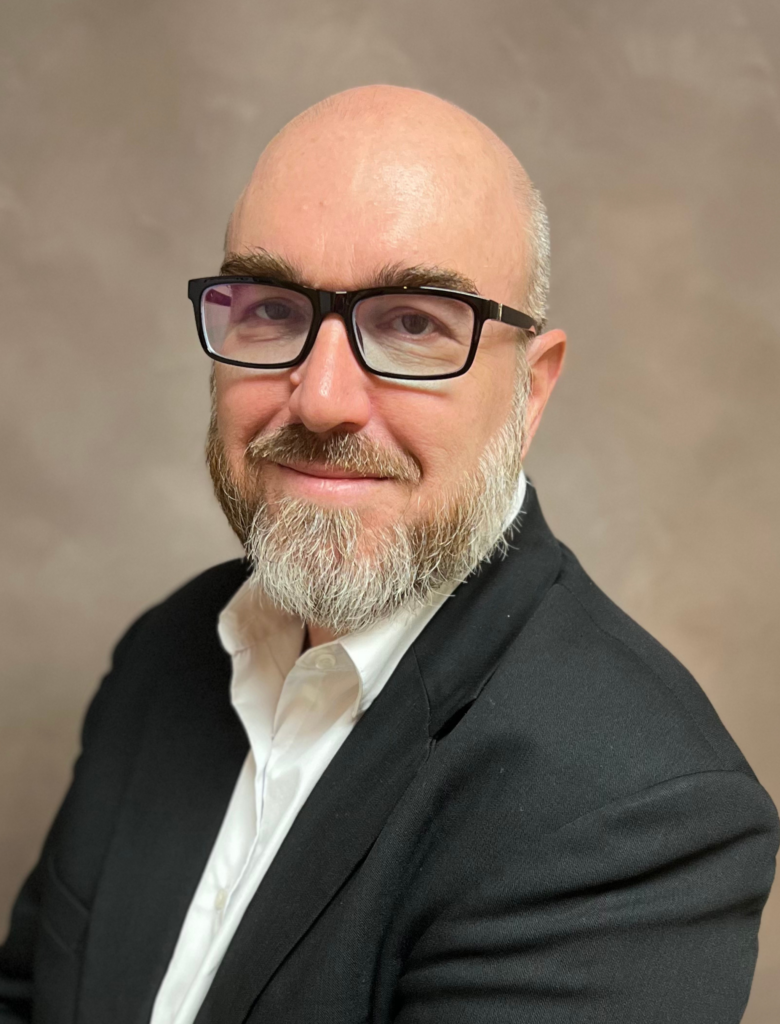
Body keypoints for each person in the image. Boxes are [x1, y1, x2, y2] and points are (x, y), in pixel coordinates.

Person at [0, 85, 777, 1024]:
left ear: (530, 393)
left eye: (413, 324)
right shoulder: (167, 654)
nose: (322, 397)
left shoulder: (639, 814)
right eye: (274, 310)